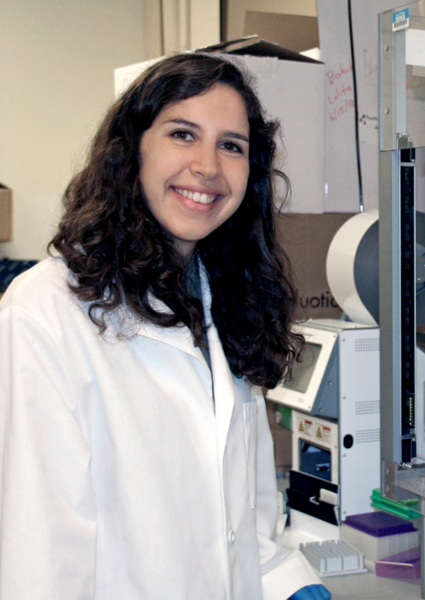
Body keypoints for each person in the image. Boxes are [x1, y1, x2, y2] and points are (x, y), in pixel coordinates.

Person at [0, 53, 330, 600]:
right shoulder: (45, 312)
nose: (207, 166)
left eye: (232, 146)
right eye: (183, 134)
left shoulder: (227, 301)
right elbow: (40, 557)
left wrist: (287, 580)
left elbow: (239, 521)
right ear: (133, 151)